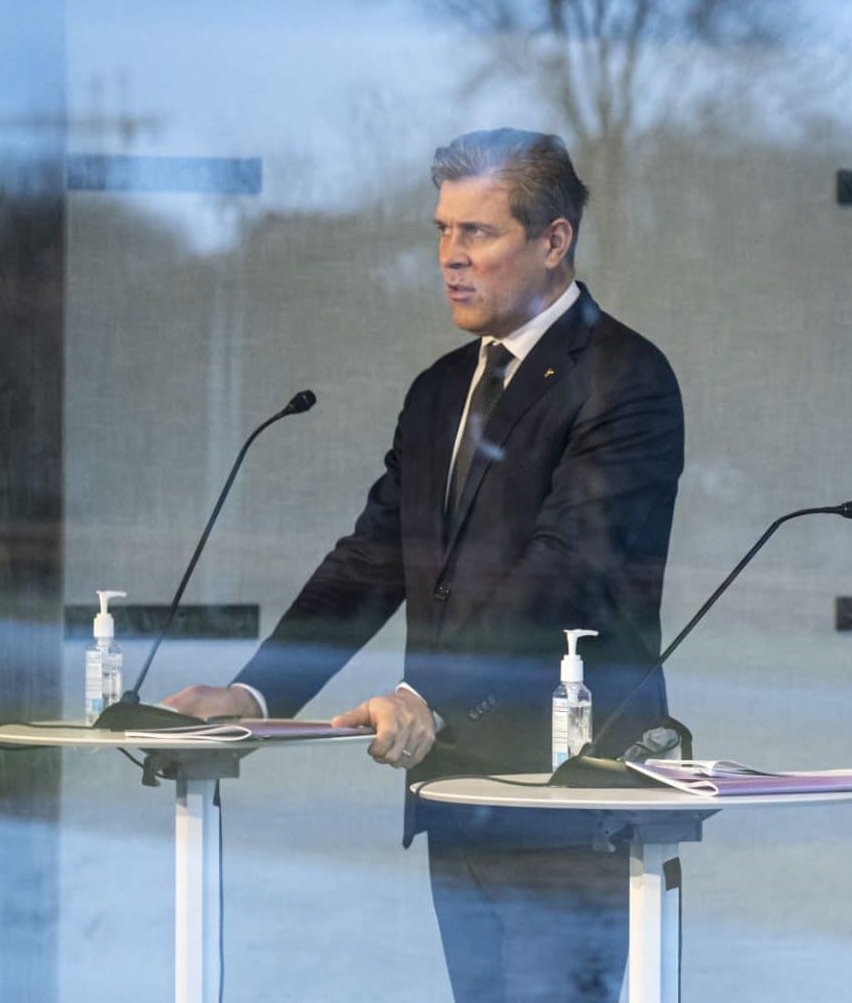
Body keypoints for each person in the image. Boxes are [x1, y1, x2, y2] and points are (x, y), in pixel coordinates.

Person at [165, 128, 684, 1003]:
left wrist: (430, 697)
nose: (450, 257)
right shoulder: (440, 389)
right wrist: (256, 694)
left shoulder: (626, 378)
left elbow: (568, 570)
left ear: (555, 241)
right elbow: (373, 558)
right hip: (457, 791)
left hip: (570, 800)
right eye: (442, 231)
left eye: (477, 233)